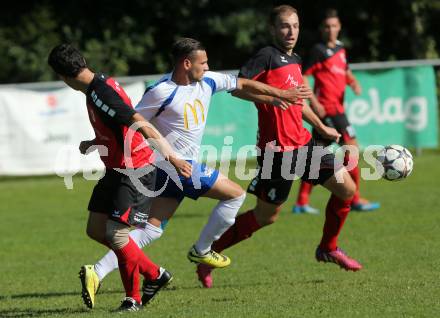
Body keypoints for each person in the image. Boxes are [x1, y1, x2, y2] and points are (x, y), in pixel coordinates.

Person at [82, 37, 309, 299]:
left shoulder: (208, 80)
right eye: (203, 62)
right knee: (235, 194)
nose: (207, 66)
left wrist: (277, 95)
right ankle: (202, 249)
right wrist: (101, 141)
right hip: (172, 166)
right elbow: (131, 123)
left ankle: (96, 272)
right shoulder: (161, 91)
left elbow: (242, 83)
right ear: (186, 64)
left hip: (177, 169)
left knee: (151, 230)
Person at [196, 4, 364, 289]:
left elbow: (297, 101)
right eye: (285, 26)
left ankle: (328, 247)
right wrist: (272, 98)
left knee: (347, 188)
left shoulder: (295, 59)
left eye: (295, 26)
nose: (291, 31)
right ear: (273, 29)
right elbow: (238, 87)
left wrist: (321, 126)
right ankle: (207, 257)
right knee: (266, 216)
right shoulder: (266, 56)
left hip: (304, 144)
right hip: (277, 153)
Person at [48, 44, 192, 311]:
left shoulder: (101, 94)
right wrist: (95, 142)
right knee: (96, 229)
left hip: (135, 169)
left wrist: (172, 157)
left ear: (63, 77)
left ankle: (133, 299)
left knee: (117, 235)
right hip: (116, 167)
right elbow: (117, 126)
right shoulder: (97, 87)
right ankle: (154, 273)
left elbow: (140, 123)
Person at [293, 9, 380, 214]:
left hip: (337, 109)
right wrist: (314, 102)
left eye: (334, 25)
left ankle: (301, 202)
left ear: (339, 27)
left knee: (317, 156)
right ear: (322, 29)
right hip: (329, 110)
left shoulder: (341, 49)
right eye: (327, 26)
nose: (331, 29)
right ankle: (355, 198)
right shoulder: (318, 51)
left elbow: (346, 70)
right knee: (352, 150)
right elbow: (304, 77)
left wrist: (353, 82)